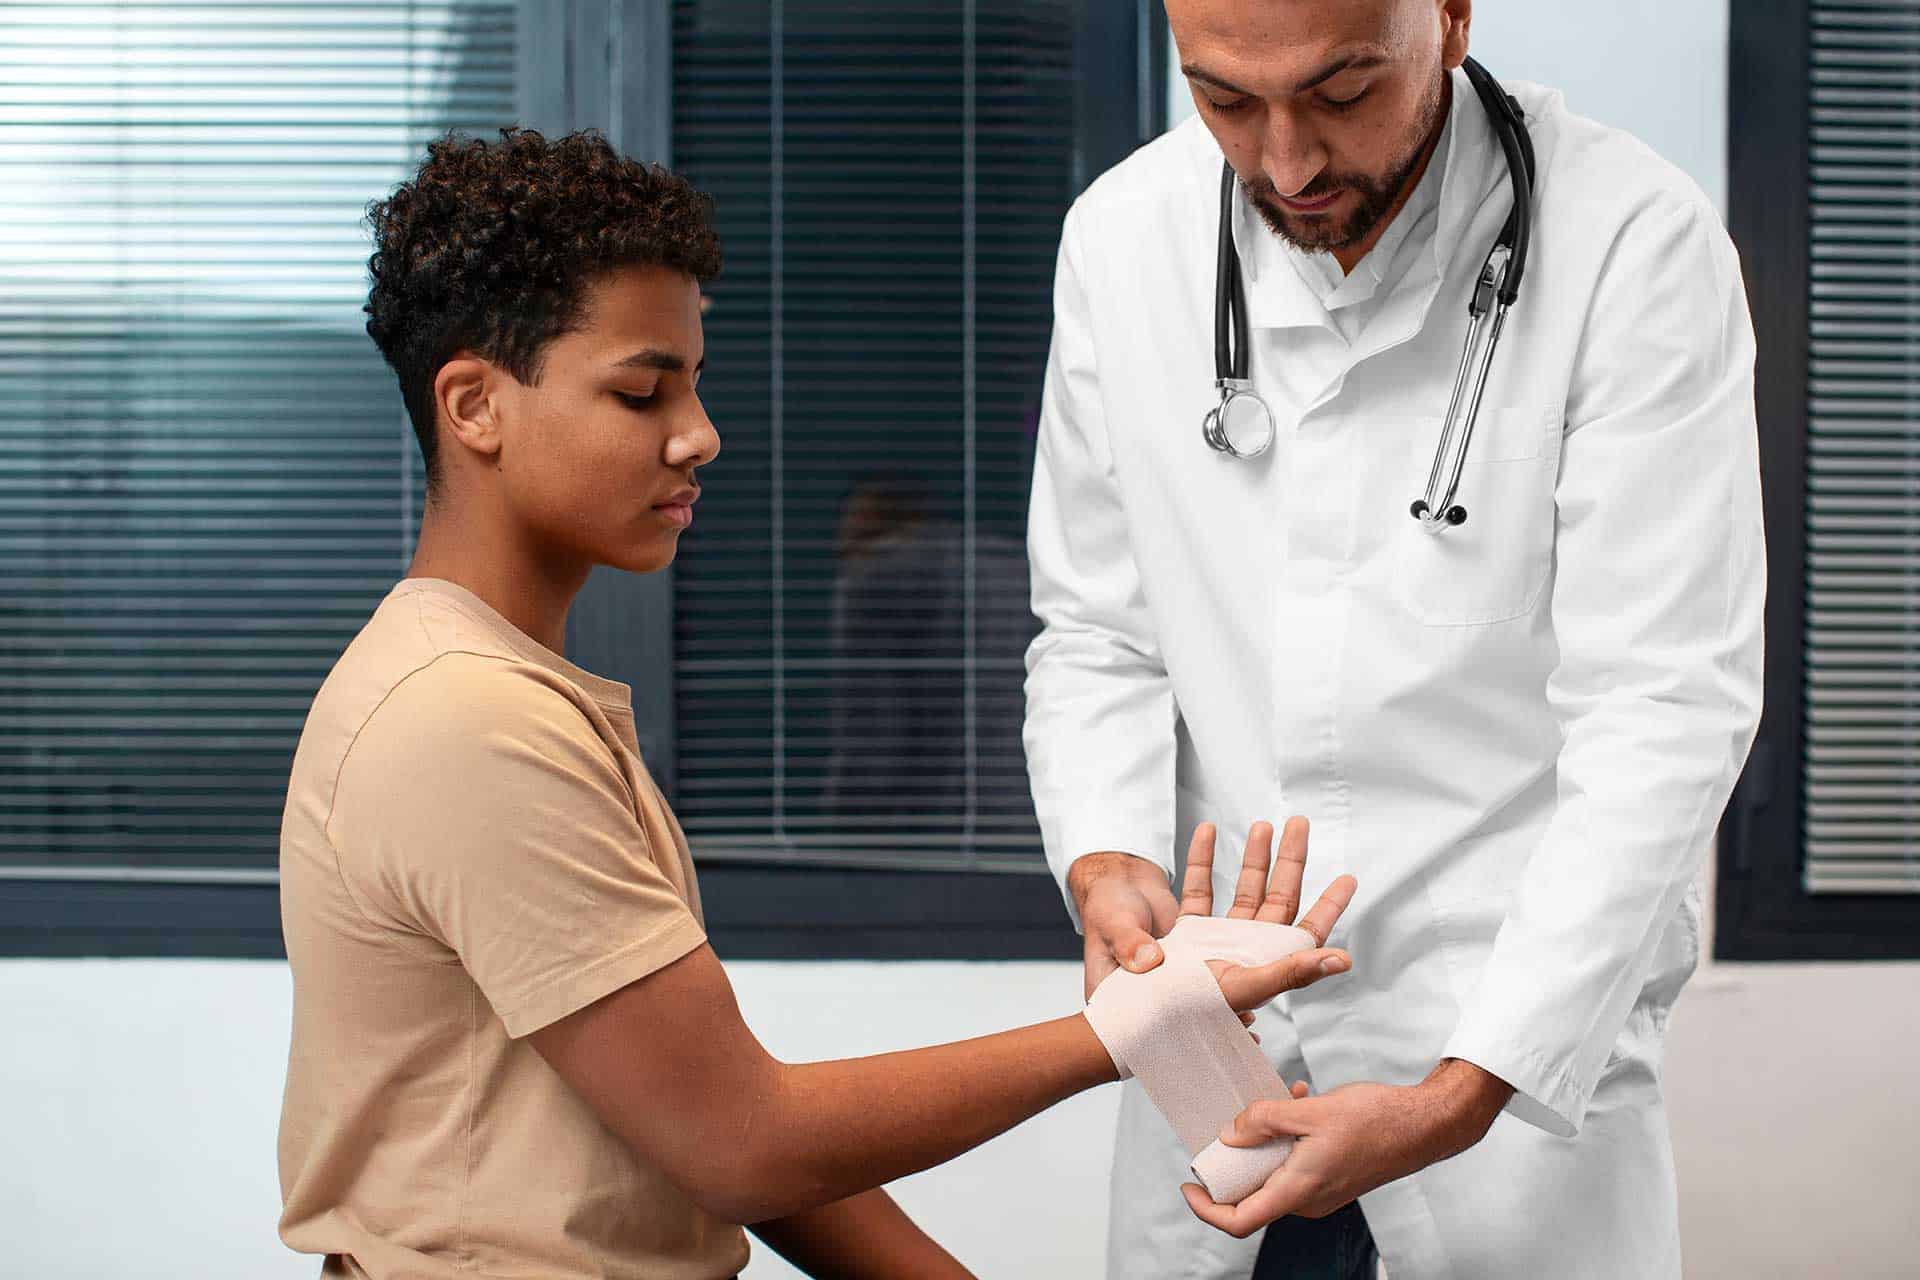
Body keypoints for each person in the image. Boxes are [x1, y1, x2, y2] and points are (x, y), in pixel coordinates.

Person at [275, 127, 1357, 1280]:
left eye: (694, 382)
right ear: (474, 405)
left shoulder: (512, 690)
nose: (699, 434)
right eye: (642, 392)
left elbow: (703, 1126)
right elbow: (743, 1142)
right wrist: (1136, 1025)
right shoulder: (465, 720)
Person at [1022, 1, 1764, 1277]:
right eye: (1226, 100)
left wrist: (1461, 1093)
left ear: (1452, 17)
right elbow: (1097, 628)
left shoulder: (1632, 244)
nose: (1287, 162)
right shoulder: (1124, 236)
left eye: (1343, 92)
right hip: (1218, 1040)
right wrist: (1105, 857)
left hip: (1499, 1050)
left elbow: (1662, 707)